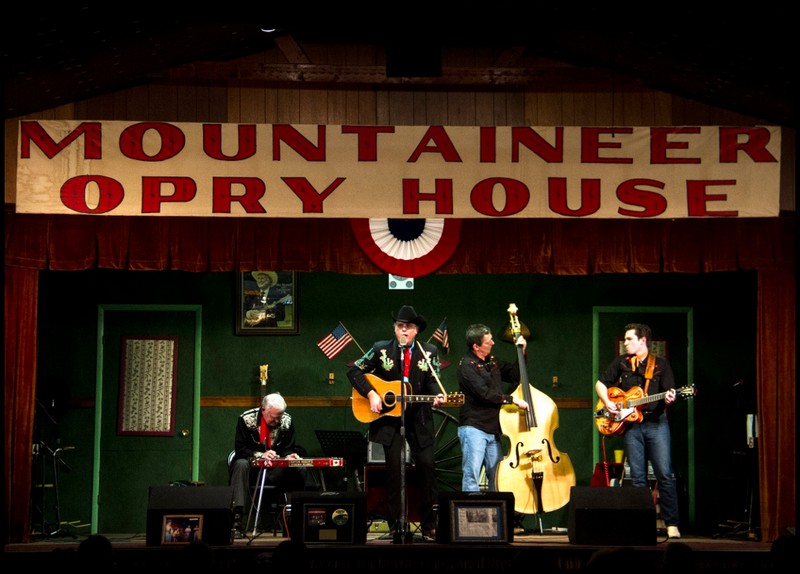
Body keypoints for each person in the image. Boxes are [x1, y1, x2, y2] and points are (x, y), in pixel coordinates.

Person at [347, 305, 445, 541]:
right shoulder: (381, 349)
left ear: (416, 331)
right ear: (395, 329)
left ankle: (429, 524)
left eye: (408, 327)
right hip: (390, 421)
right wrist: (371, 393)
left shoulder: (429, 352)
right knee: (394, 472)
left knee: (427, 468)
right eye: (400, 326)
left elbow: (434, 381)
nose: (403, 330)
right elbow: (355, 371)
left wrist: (438, 397)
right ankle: (396, 524)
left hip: (419, 419)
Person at [595, 323, 682, 539]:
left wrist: (671, 397)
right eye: (624, 339)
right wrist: (607, 402)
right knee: (638, 478)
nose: (625, 343)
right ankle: (641, 524)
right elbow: (600, 383)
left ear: (642, 341)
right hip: (631, 427)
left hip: (656, 424)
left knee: (665, 474)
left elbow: (670, 392)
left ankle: (672, 525)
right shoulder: (621, 363)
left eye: (629, 339)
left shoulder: (661, 365)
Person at [456, 323, 529, 492]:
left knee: (497, 476)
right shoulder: (466, 365)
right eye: (488, 342)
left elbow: (514, 375)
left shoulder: (492, 361)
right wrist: (512, 400)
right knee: (471, 476)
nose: (493, 343)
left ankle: (496, 515)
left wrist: (522, 352)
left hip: (493, 429)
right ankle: (470, 515)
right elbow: (485, 394)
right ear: (476, 346)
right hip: (474, 427)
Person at [229, 392, 307, 537]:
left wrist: (288, 456)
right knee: (240, 464)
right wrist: (260, 455)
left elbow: (288, 447)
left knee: (299, 468)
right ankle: (237, 520)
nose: (277, 421)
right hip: (252, 470)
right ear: (263, 410)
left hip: (276, 470)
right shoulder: (246, 419)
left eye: (280, 417)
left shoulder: (287, 421)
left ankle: (294, 517)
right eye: (273, 417)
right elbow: (240, 449)